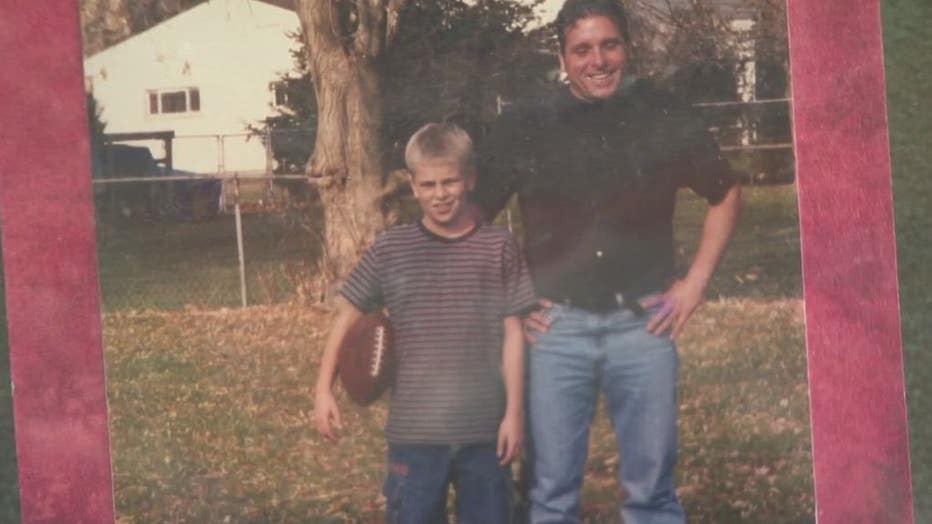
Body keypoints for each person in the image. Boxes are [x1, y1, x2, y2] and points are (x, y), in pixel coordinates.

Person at [474, 1, 742, 522]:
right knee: (550, 494)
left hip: (643, 325)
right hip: (555, 332)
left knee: (654, 495)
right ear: (562, 57)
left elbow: (725, 194)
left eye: (609, 45)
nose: (598, 60)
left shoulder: (663, 112)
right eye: (582, 49)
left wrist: (695, 284)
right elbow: (471, 221)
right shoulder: (527, 122)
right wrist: (505, 297)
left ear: (629, 47)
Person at [313, 122, 538, 523]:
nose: (440, 195)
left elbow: (513, 333)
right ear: (413, 186)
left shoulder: (497, 247)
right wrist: (323, 390)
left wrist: (514, 414)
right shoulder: (392, 248)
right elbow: (347, 314)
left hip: (484, 431)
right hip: (415, 435)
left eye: (449, 182)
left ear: (469, 180)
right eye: (429, 185)